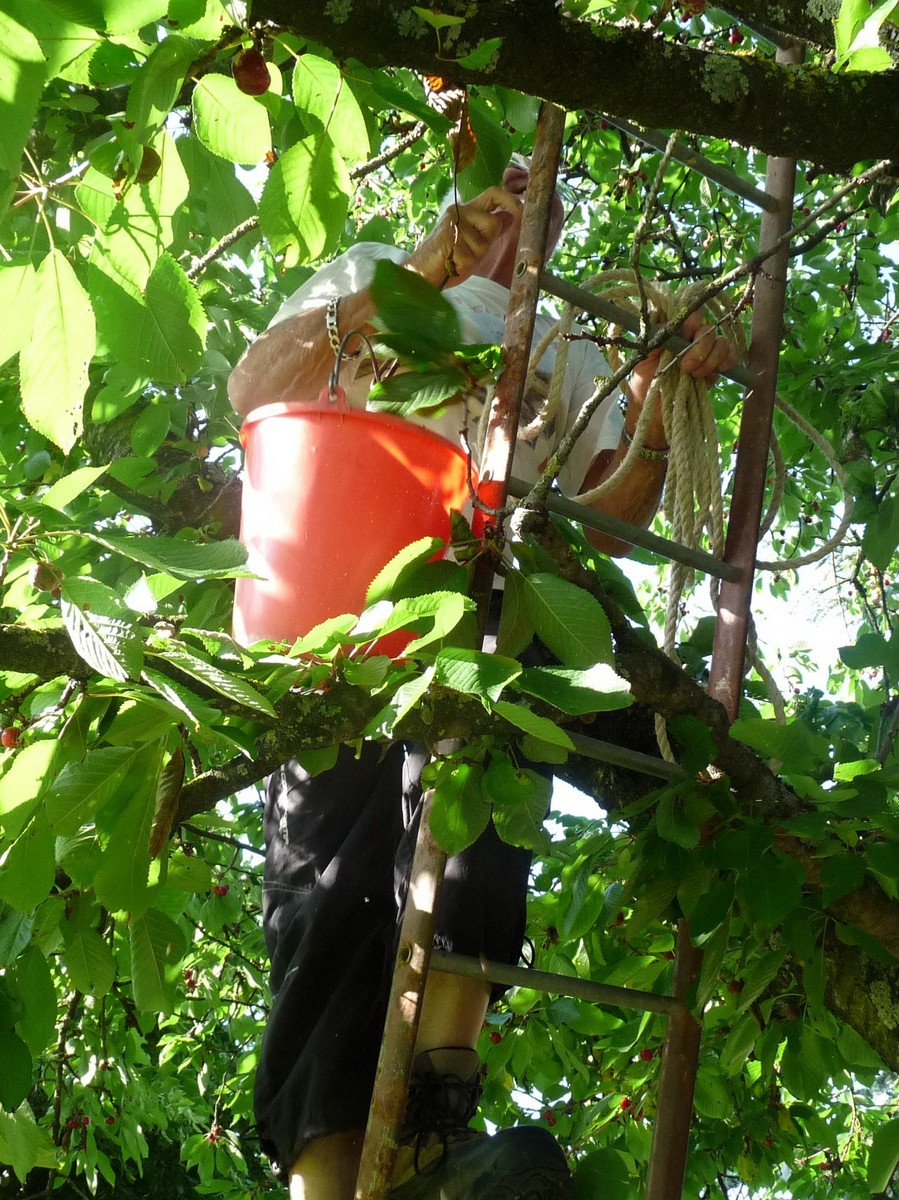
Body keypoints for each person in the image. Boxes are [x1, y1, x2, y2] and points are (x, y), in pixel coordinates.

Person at [228, 163, 738, 1200]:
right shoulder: (373, 267)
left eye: (536, 184)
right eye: (501, 176)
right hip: (344, 606)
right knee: (327, 892)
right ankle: (329, 1183)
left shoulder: (571, 339)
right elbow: (256, 392)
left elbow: (610, 522)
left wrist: (655, 409)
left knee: (482, 830)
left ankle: (432, 1139)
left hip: (494, 614)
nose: (518, 193)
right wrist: (415, 276)